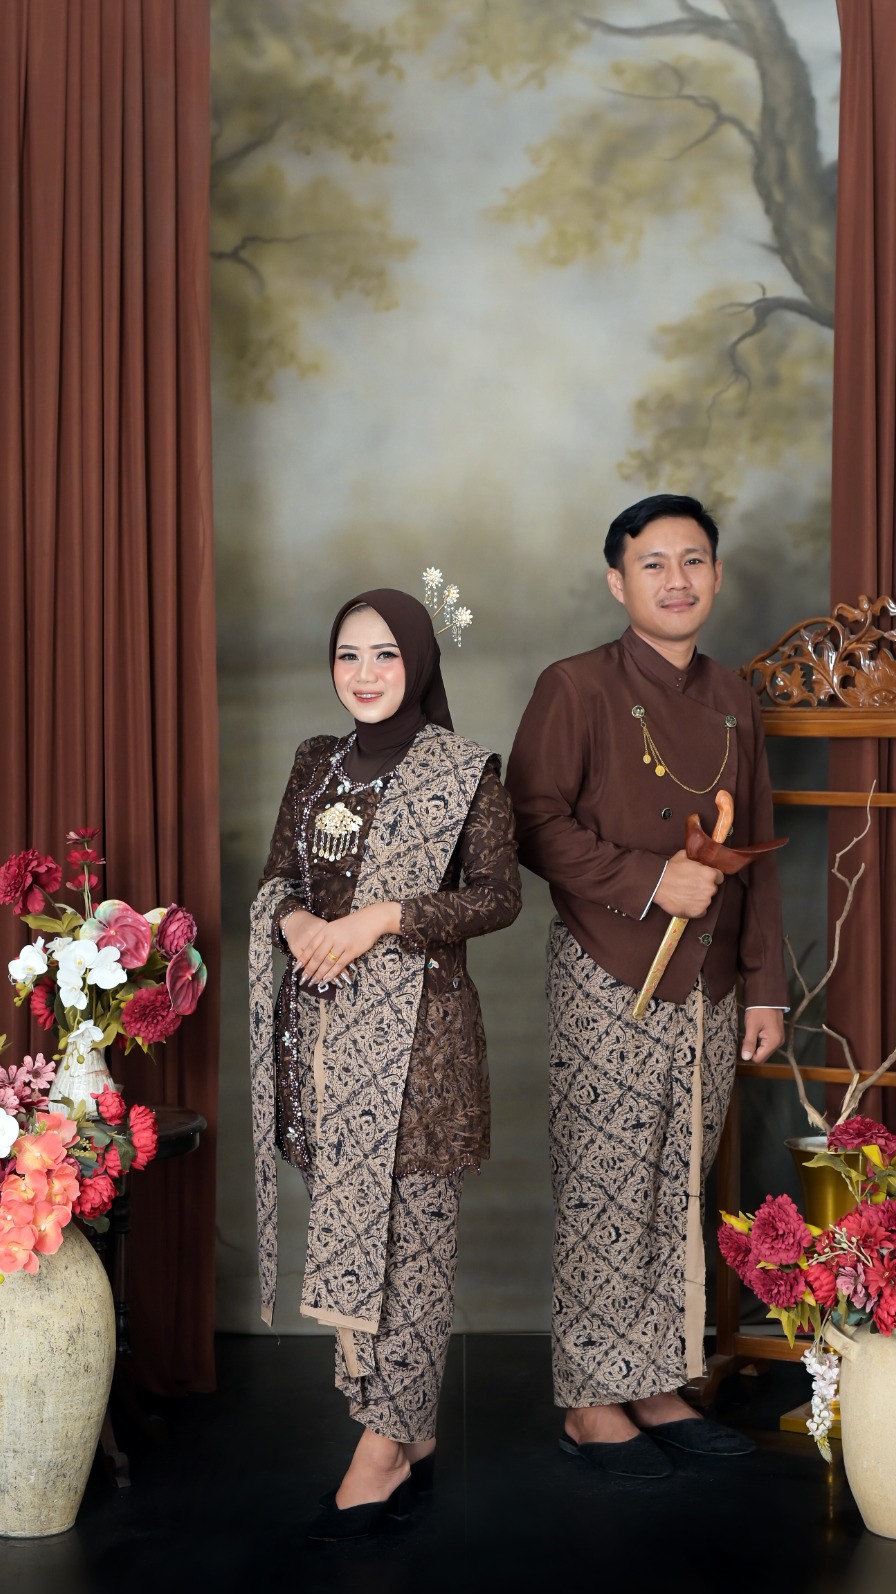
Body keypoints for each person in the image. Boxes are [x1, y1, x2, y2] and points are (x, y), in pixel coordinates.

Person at [506, 494, 787, 1478]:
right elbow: (529, 822)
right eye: (653, 563)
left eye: (693, 560)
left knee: (676, 1185)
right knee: (605, 1186)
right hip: (609, 970)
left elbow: (757, 850)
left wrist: (764, 987)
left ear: (716, 574)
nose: (677, 580)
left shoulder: (734, 697)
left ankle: (659, 1382)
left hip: (709, 983)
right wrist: (646, 879)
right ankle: (592, 1401)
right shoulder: (575, 685)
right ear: (616, 581)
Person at [249, 587, 521, 1538]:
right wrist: (294, 921)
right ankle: (403, 1424)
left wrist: (384, 918)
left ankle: (384, 1441)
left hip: (424, 1050)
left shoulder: (463, 770)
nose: (364, 674)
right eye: (348, 656)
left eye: (385, 655)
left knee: (416, 1243)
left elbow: (498, 896)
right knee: (359, 1228)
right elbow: (279, 877)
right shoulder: (315, 762)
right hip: (326, 1044)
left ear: (419, 662)